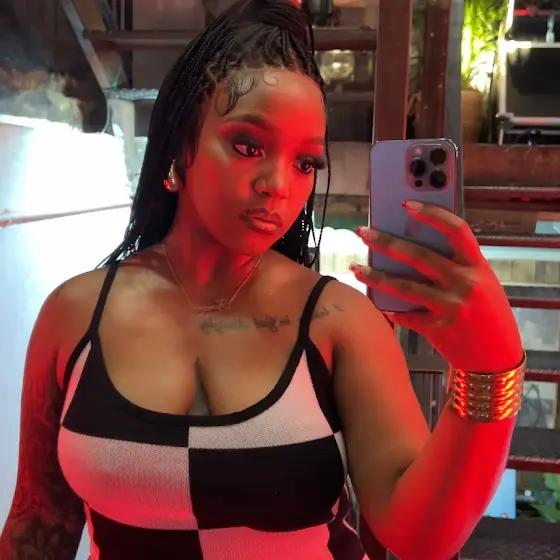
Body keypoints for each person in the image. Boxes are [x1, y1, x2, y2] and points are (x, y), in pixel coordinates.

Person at [0, 1, 525, 559]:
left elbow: (418, 538)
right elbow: (40, 520)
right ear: (181, 145)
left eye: (305, 163)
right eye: (248, 146)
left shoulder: (340, 322)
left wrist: (490, 369)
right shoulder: (74, 314)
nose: (278, 184)